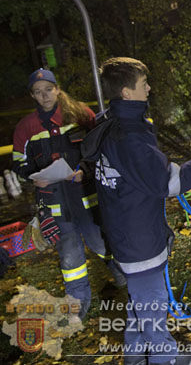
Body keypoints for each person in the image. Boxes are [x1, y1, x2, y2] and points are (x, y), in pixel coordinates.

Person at [82, 57, 191, 365]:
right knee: (153, 307)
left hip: (129, 236)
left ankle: (135, 359)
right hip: (139, 241)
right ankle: (167, 360)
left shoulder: (114, 127)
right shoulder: (129, 136)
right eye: (142, 84)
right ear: (126, 92)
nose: (149, 88)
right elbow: (165, 182)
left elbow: (147, 175)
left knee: (140, 306)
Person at [12, 68, 125, 321]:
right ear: (32, 95)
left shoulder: (80, 114)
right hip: (54, 202)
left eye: (48, 90)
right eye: (38, 92)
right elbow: (18, 163)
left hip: (87, 196)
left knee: (102, 242)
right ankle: (77, 304)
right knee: (70, 254)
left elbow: (99, 149)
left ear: (57, 89)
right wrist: (34, 176)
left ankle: (124, 280)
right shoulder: (25, 127)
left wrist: (85, 170)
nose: (44, 96)